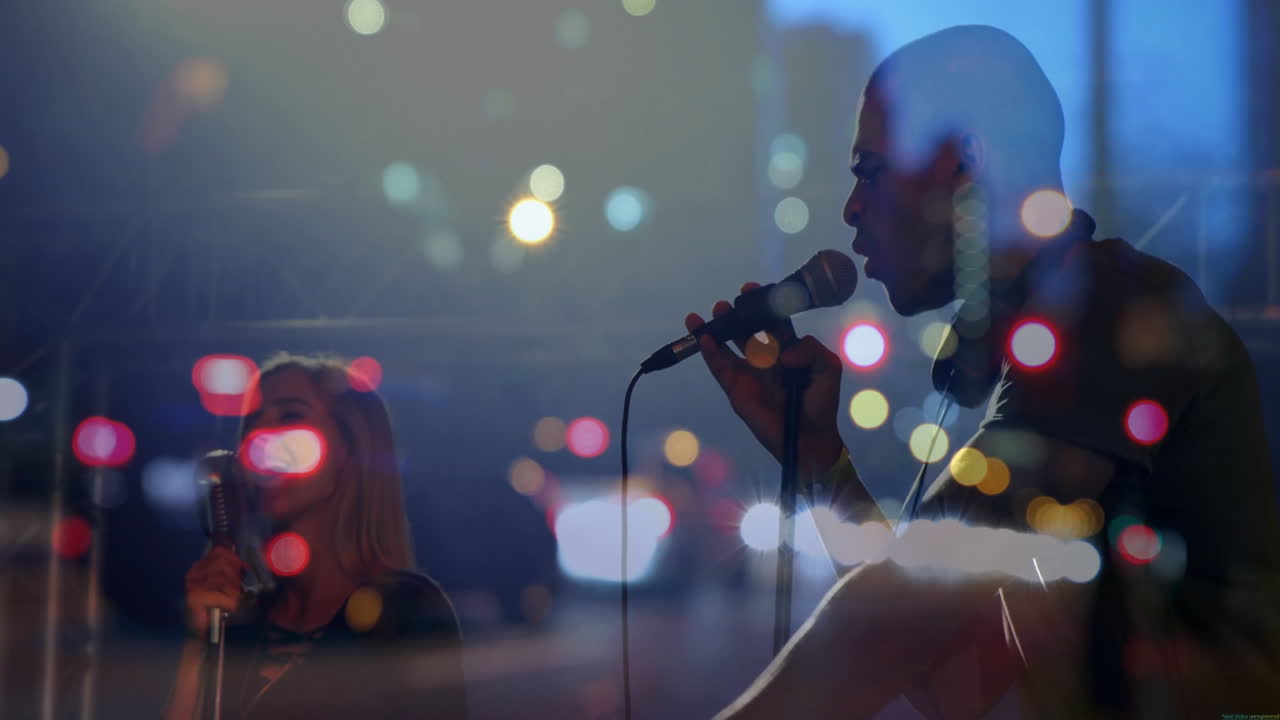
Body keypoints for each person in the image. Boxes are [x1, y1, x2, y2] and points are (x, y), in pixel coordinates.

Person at [688, 25, 1280, 719]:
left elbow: (893, 624)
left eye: (871, 170)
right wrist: (824, 456)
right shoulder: (1047, 345)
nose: (851, 208)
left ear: (964, 159)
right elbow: (946, 682)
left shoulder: (1107, 310)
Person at [165, 353, 468, 719]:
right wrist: (200, 639)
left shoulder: (404, 608)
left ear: (349, 447)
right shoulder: (241, 619)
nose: (262, 438)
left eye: (290, 416)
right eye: (252, 423)